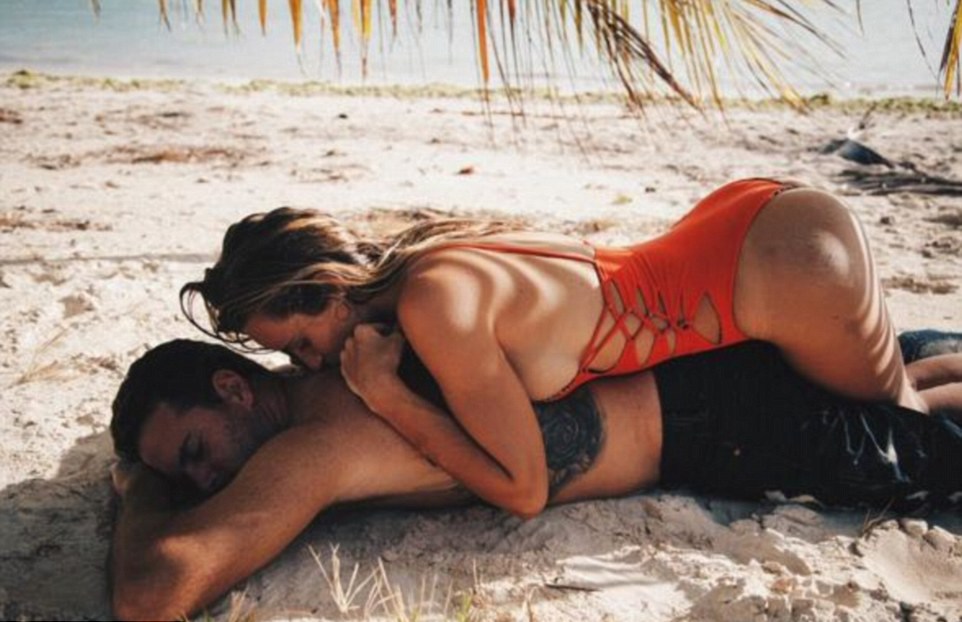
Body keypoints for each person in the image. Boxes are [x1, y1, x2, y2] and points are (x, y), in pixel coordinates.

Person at [180, 179, 962, 516]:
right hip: (758, 233)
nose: (310, 365)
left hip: (785, 271)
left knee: (901, 423)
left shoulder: (432, 306)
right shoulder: (424, 256)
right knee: (893, 391)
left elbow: (523, 490)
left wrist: (390, 398)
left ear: (327, 287)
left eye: (302, 343)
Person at [109, 337, 962, 620]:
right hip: (697, 362)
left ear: (232, 387)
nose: (206, 480)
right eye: (186, 476)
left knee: (931, 446)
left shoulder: (308, 447)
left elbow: (152, 594)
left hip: (721, 429)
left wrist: (140, 491)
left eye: (194, 452)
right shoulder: (339, 355)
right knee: (909, 384)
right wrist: (164, 473)